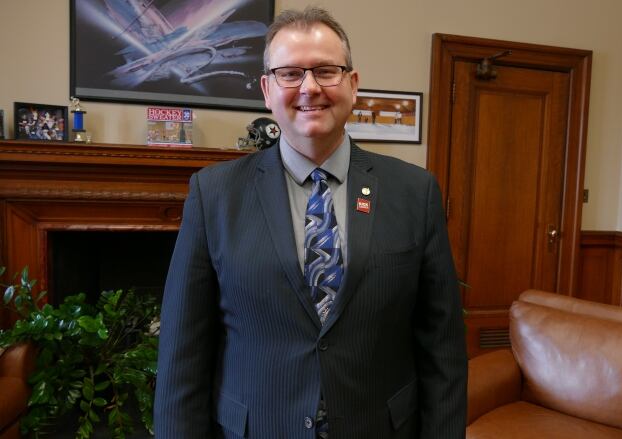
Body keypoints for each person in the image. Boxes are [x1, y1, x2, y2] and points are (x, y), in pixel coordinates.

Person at [154, 6, 467, 439]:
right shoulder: (214, 195)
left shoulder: (415, 193)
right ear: (267, 89)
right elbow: (182, 353)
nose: (309, 88)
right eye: (289, 73)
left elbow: (442, 351)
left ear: (353, 85)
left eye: (326, 71)